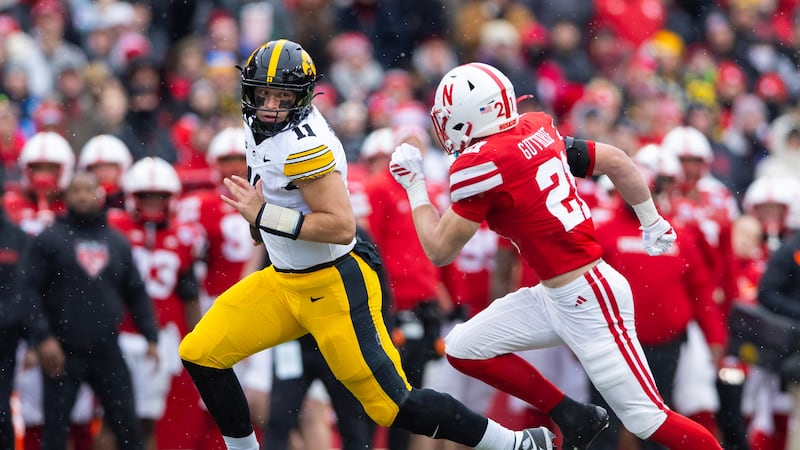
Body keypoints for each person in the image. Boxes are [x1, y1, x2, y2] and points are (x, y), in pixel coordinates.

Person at [178, 39, 556, 450]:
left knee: (393, 407)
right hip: (284, 282)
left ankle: (515, 444)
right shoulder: (262, 124)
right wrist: (262, 217)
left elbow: (341, 227)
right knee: (201, 353)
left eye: (281, 96)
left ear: (301, 97)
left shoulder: (304, 145)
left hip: (334, 285)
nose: (269, 105)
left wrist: (263, 216)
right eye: (262, 93)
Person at [389, 61, 724, 450]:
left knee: (647, 418)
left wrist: (414, 187)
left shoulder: (483, 164)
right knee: (463, 348)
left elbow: (439, 250)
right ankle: (571, 414)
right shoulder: (535, 129)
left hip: (589, 295)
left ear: (470, 116)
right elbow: (615, 159)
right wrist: (651, 219)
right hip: (555, 294)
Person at [17, 171, 159, 450]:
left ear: (99, 194)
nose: (82, 195)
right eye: (76, 190)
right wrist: (42, 338)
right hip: (62, 350)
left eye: (88, 189)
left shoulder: (117, 242)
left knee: (128, 427)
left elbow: (136, 291)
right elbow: (28, 291)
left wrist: (150, 335)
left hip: (107, 349)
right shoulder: (49, 239)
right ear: (66, 196)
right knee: (56, 432)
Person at [107, 156, 202, 450]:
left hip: (159, 336)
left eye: (160, 196)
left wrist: (199, 339)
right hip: (117, 333)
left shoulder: (184, 236)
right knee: (112, 420)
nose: (152, 203)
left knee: (147, 420)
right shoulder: (113, 228)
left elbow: (188, 292)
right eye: (145, 196)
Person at [0, 183, 29, 450]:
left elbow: (27, 291)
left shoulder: (17, 237)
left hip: (5, 338)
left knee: (1, 409)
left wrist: (33, 338)